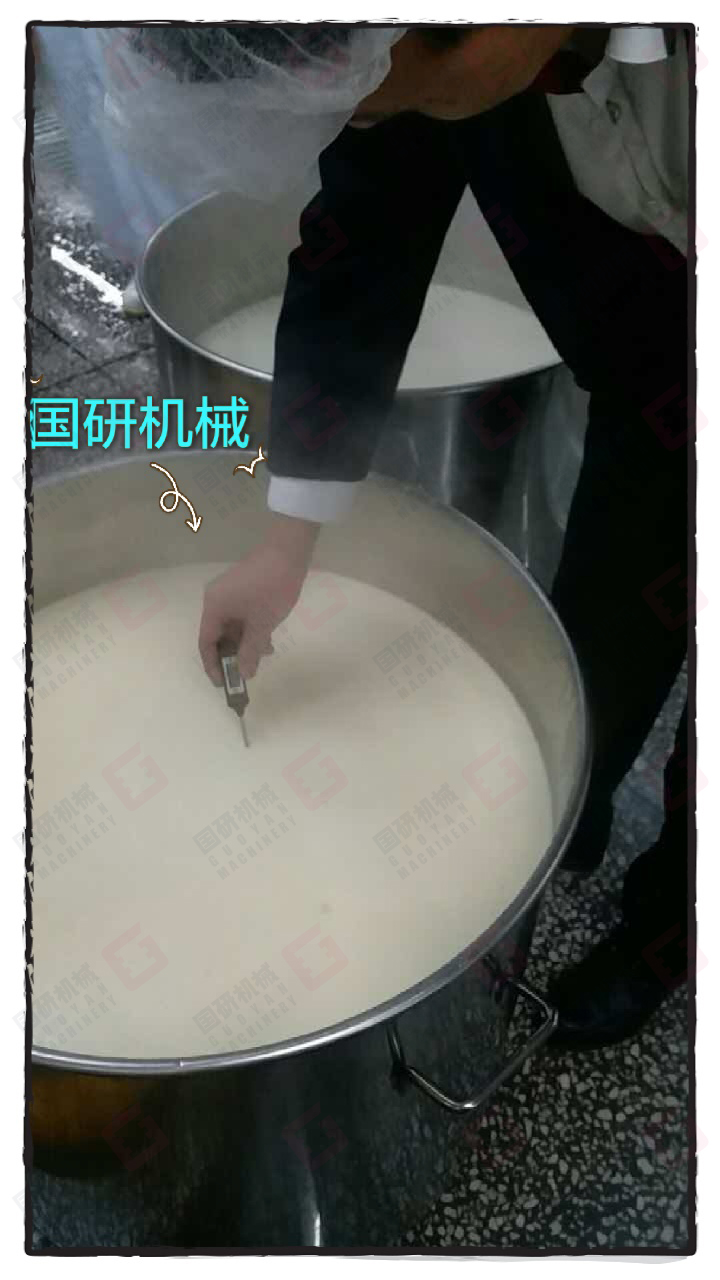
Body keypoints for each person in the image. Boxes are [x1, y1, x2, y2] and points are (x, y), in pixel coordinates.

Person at [51, 23, 689, 1049]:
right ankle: (581, 797)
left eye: (398, 95)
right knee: (626, 577)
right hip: (651, 375)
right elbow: (364, 239)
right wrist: (287, 539)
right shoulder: (403, 50)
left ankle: (670, 924)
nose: (382, 113)